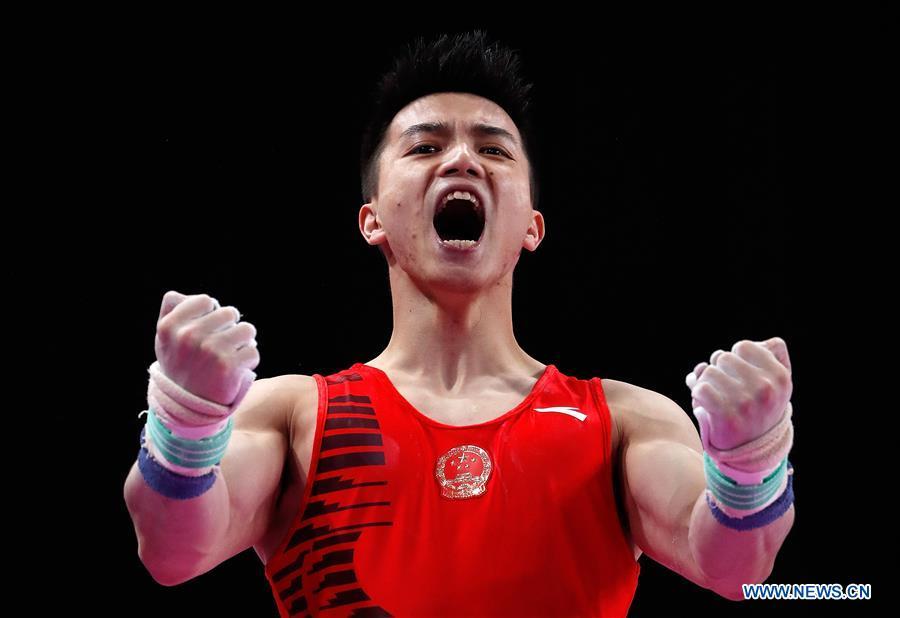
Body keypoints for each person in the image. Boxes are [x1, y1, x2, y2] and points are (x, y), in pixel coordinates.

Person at [124, 30, 796, 617]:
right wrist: (184, 430)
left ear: (531, 225)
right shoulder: (295, 415)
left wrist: (748, 469)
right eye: (424, 147)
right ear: (373, 219)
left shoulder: (621, 421)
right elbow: (173, 554)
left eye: (495, 150)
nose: (462, 160)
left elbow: (736, 571)